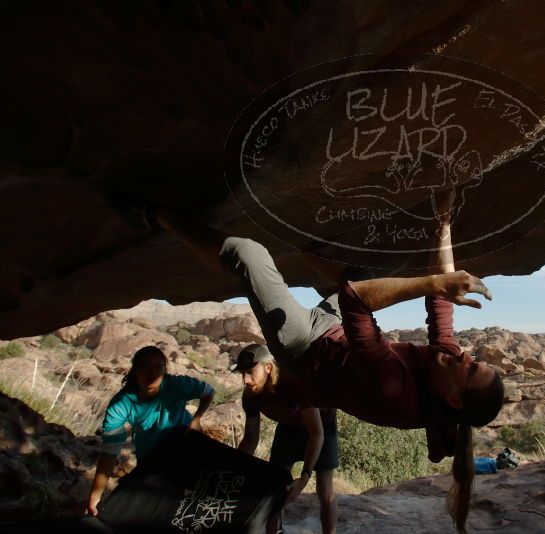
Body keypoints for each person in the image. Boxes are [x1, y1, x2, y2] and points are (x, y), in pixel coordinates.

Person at [150, 197, 505, 534]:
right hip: (333, 328)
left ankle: (157, 216)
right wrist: (443, 223)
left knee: (248, 253)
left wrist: (432, 282)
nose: (466, 357)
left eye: (472, 369)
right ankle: (302, 239)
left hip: (304, 348)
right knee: (367, 269)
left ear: (455, 398)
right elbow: (441, 301)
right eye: (475, 361)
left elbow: (354, 299)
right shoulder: (447, 365)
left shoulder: (396, 391)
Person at [86, 345, 215, 515]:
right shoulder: (122, 403)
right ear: (135, 370)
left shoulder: (177, 385)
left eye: (158, 366)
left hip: (186, 447)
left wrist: (197, 419)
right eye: (146, 367)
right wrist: (95, 496)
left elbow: (208, 392)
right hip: (151, 457)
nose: (152, 372)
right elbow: (110, 451)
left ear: (164, 369)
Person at [234, 343, 339, 534]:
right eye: (242, 373)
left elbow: (316, 433)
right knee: (275, 486)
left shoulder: (293, 382)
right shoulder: (251, 396)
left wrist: (305, 477)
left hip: (322, 426)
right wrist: (233, 471)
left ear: (268, 367)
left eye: (250, 372)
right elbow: (250, 439)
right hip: (288, 428)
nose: (245, 380)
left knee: (324, 490)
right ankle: (274, 530)